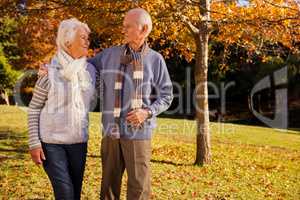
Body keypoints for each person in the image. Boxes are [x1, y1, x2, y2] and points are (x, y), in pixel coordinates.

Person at [89, 8, 173, 200]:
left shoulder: (155, 60)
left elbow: (167, 96)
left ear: (143, 29)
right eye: (123, 25)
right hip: (110, 132)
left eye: (128, 26)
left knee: (139, 188)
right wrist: (54, 66)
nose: (123, 30)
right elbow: (84, 66)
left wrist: (147, 112)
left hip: (139, 133)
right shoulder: (109, 55)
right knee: (108, 188)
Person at [28, 18, 95, 200]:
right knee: (65, 193)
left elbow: (103, 95)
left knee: (74, 194)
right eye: (83, 37)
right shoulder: (49, 73)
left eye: (87, 38)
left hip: (79, 142)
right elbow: (34, 108)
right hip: (52, 143)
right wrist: (34, 143)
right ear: (67, 41)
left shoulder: (90, 71)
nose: (87, 42)